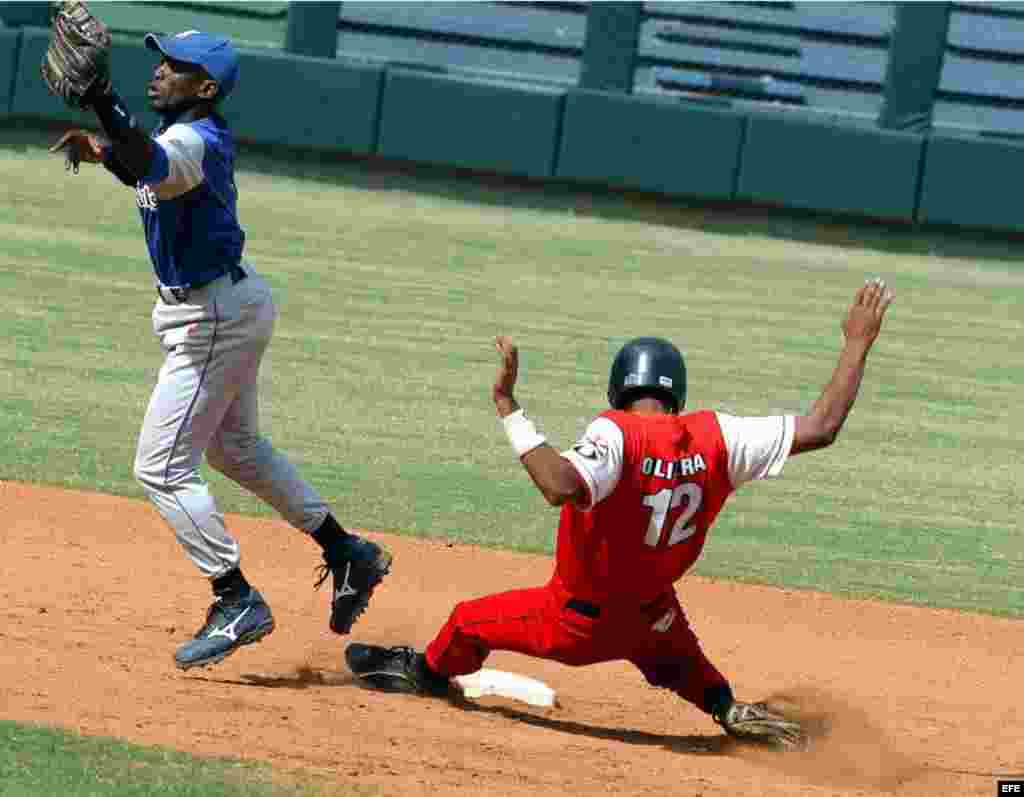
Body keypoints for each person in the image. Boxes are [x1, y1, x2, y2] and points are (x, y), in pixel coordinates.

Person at [345, 279, 895, 750]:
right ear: (676, 392)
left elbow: (557, 486)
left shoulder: (615, 431)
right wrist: (857, 341)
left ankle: (426, 673)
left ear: (617, 388)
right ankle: (727, 707)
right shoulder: (718, 434)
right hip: (655, 622)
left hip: (575, 624)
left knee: (467, 621)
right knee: (684, 665)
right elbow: (822, 427)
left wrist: (509, 408)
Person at [49, 30, 391, 670]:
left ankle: (235, 597)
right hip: (227, 305)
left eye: (176, 67)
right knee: (234, 447)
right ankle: (347, 552)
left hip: (211, 318)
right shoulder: (178, 138)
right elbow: (143, 163)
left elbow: (156, 162)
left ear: (205, 88)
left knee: (161, 466)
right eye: (160, 59)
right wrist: (102, 151)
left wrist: (101, 98)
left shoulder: (196, 139)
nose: (159, 72)